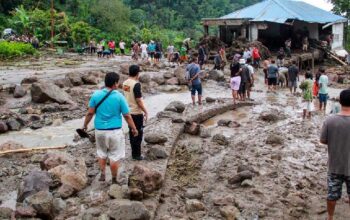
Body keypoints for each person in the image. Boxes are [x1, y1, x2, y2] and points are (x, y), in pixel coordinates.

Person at [83, 72, 138, 184]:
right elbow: (127, 115)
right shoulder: (119, 97)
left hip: (99, 131)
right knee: (114, 155)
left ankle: (103, 174)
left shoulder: (96, 95)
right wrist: (134, 128)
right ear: (115, 83)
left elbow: (90, 113)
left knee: (101, 153)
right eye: (117, 82)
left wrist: (85, 125)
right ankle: (113, 179)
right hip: (115, 131)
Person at [320, 89, 350, 220]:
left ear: (339, 101)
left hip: (334, 165)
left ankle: (330, 217)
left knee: (332, 194)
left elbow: (323, 140)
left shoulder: (330, 120)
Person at [123, 65, 148, 160]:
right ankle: (136, 155)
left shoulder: (125, 83)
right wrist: (145, 111)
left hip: (128, 112)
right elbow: (138, 100)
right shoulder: (136, 84)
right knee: (138, 133)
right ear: (137, 73)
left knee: (131, 131)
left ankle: (134, 153)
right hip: (136, 112)